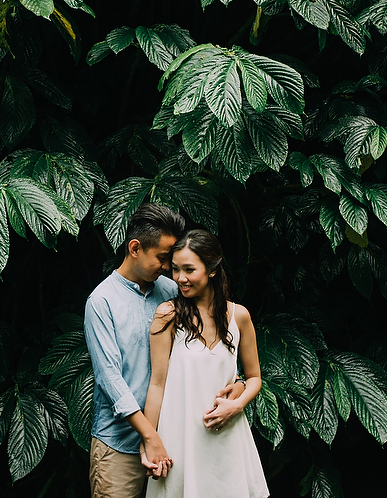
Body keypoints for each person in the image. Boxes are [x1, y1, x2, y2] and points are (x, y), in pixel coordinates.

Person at [84, 206, 245, 498]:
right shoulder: (102, 302)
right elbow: (111, 380)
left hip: (177, 438)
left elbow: (217, 339)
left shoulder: (173, 290)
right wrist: (149, 436)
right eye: (162, 258)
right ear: (135, 248)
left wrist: (240, 382)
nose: (168, 267)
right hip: (122, 443)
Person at [143, 229, 269, 498]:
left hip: (227, 436)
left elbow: (255, 377)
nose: (180, 278)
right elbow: (157, 383)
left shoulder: (240, 316)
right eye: (175, 269)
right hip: (180, 437)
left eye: (189, 269)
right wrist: (149, 442)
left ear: (211, 270)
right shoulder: (167, 314)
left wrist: (236, 404)